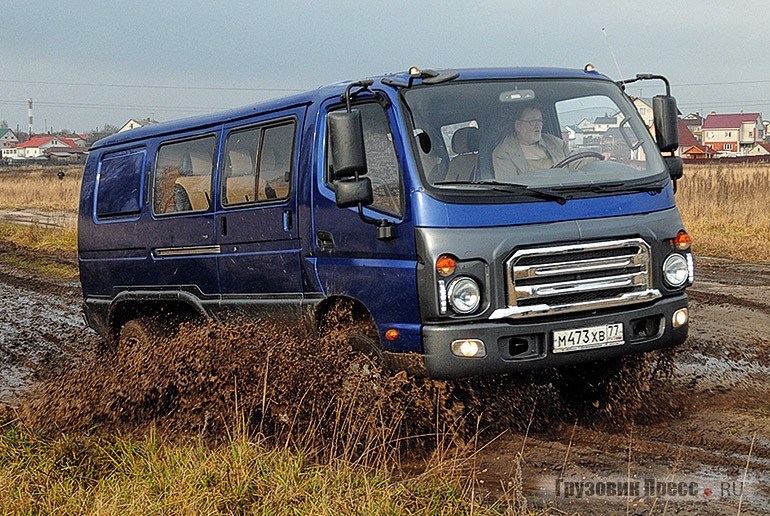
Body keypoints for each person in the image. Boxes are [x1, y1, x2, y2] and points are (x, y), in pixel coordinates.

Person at [492, 105, 570, 179]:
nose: (538, 125)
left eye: (540, 120)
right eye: (532, 121)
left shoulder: (556, 143)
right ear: (518, 125)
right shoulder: (503, 153)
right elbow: (510, 187)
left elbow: (575, 164)